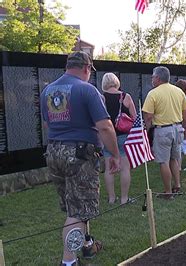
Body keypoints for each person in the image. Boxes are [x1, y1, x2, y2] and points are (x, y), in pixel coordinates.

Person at [41, 51, 120, 266]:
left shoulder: (47, 90)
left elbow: (47, 124)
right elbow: (105, 126)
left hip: (54, 151)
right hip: (79, 154)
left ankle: (87, 244)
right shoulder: (87, 90)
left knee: (72, 205)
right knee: (78, 211)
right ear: (87, 68)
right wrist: (114, 154)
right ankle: (68, 261)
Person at [142, 66, 186, 199]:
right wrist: (184, 129)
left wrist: (147, 130)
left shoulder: (153, 93)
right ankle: (177, 185)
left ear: (157, 78)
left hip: (163, 130)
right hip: (178, 128)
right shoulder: (179, 91)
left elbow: (148, 116)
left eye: (152, 77)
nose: (152, 79)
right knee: (174, 158)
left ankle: (168, 192)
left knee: (163, 161)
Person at [101, 72, 137, 205]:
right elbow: (134, 118)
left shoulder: (101, 98)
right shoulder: (126, 97)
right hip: (123, 136)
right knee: (124, 168)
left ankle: (111, 198)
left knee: (108, 168)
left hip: (107, 136)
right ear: (116, 82)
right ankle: (124, 199)